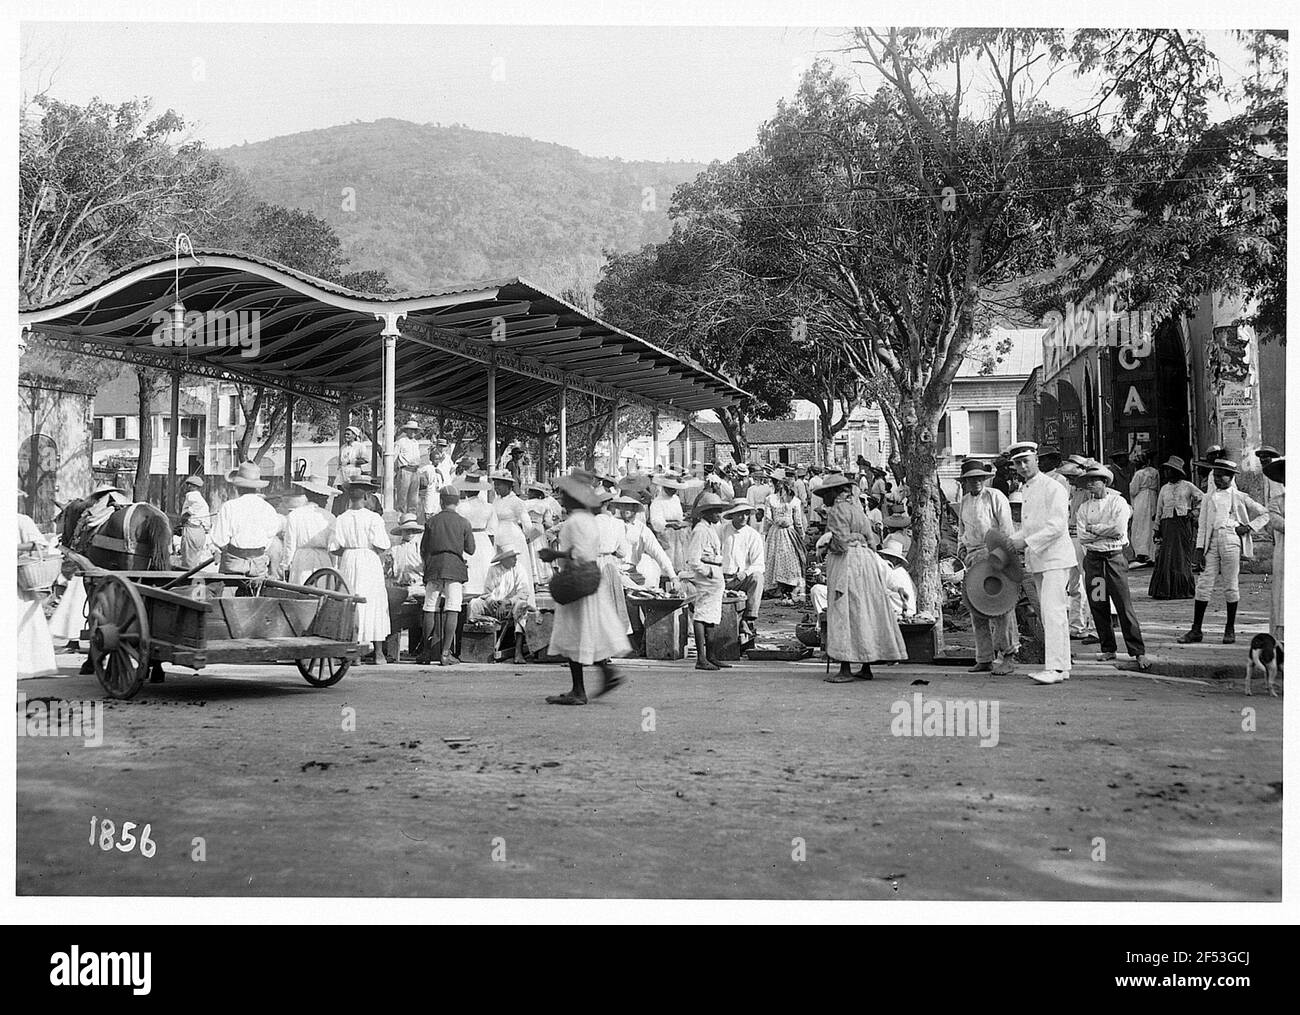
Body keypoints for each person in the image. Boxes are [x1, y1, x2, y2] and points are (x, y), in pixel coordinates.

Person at [541, 476, 630, 704]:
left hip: (577, 577)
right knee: (589, 630)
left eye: (565, 495)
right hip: (590, 576)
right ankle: (607, 674)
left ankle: (578, 690)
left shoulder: (574, 522)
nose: (562, 499)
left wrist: (555, 555)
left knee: (573, 631)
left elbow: (578, 554)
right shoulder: (590, 520)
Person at [817, 474, 906, 682]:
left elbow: (839, 544)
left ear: (833, 493)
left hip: (847, 563)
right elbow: (872, 542)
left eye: (825, 494)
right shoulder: (858, 511)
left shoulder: (837, 511)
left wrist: (825, 545)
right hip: (866, 562)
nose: (824, 499)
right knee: (866, 609)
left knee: (844, 610)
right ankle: (866, 665)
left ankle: (846, 667)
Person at [1179, 458, 1269, 645]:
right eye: (1216, 475)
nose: (1218, 479)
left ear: (1231, 477)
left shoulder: (1240, 497)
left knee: (1231, 584)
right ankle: (1196, 630)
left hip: (1231, 540)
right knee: (1204, 584)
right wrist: (1198, 548)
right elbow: (1203, 525)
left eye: (1222, 476)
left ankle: (1230, 628)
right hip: (1211, 542)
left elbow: (1266, 513)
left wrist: (1249, 527)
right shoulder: (1207, 498)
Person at [1007, 441, 1076, 684]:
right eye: (1018, 463)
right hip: (1038, 559)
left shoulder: (1053, 487)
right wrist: (1010, 540)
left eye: (1027, 460)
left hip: (1055, 557)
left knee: (1053, 611)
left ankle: (1055, 669)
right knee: (1050, 613)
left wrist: (1024, 543)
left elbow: (1057, 526)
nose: (1023, 466)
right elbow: (1029, 527)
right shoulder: (1026, 489)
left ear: (1036, 459)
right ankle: (1062, 665)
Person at [1076, 465, 1150, 669]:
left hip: (1114, 559)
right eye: (1088, 481)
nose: (1091, 484)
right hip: (1094, 561)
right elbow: (1083, 536)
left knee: (1123, 604)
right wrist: (1103, 532)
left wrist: (1096, 529)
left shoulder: (1118, 502)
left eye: (1095, 480)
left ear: (1105, 482)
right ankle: (1108, 647)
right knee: (1099, 604)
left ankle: (1137, 651)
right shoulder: (1084, 508)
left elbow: (1118, 530)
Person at [955, 458, 1018, 675]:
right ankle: (984, 657)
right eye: (971, 480)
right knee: (976, 608)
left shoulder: (995, 497)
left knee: (1001, 607)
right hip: (973, 557)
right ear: (965, 482)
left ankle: (1008, 654)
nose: (976, 483)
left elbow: (1007, 531)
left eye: (979, 479)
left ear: (985, 479)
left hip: (994, 555)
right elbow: (962, 529)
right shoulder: (964, 501)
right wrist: (961, 548)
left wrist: (1001, 556)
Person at [328, 477, 391, 663]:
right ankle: (378, 652)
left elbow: (334, 547)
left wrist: (350, 550)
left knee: (351, 602)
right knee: (374, 602)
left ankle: (354, 652)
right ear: (366, 495)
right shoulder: (374, 518)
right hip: (369, 560)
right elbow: (381, 545)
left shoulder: (341, 519)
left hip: (349, 560)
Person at [420, 485, 476, 666]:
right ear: (457, 502)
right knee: (452, 608)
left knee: (430, 608)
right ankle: (445, 654)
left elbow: (423, 549)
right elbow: (471, 549)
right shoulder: (464, 522)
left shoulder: (431, 522)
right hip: (455, 568)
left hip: (434, 567)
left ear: (441, 501)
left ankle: (427, 653)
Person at [682, 491, 729, 671]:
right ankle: (701, 658)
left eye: (719, 511)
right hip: (707, 577)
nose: (718, 515)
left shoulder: (710, 528)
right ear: (705, 513)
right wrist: (707, 571)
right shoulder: (700, 530)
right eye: (715, 511)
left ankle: (711, 655)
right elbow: (693, 559)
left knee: (711, 617)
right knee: (702, 615)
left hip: (715, 575)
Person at [209, 462, 281, 579]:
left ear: (236, 486)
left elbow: (219, 539)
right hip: (258, 564)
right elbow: (270, 537)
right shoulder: (268, 508)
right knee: (256, 594)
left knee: (226, 594)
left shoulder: (229, 506)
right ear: (257, 487)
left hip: (233, 563)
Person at [467, 546, 536, 661]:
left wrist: (507, 602)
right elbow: (487, 592)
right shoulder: (493, 570)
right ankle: (476, 639)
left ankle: (518, 652)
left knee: (521, 607)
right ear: (504, 559)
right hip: (494, 606)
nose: (515, 559)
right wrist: (491, 601)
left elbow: (523, 592)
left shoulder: (519, 569)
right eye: (512, 557)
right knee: (474, 604)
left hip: (511, 605)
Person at [1148, 456, 1203, 600]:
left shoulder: (1188, 486)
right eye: (1166, 470)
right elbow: (1159, 510)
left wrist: (1193, 513)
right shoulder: (1164, 489)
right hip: (1167, 525)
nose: (1167, 473)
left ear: (1177, 472)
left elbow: (1203, 500)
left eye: (1170, 470)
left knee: (1181, 555)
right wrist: (1156, 529)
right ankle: (1166, 590)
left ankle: (1183, 589)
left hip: (1183, 524)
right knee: (1167, 556)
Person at [17, 500, 58, 680]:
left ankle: (30, 665)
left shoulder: (21, 521)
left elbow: (40, 545)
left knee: (23, 621)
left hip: (18, 578)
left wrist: (16, 548)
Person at [281, 474, 339, 584]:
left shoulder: (295, 515)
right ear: (322, 497)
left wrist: (286, 566)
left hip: (301, 561)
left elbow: (290, 545)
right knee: (322, 592)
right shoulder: (329, 517)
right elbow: (333, 548)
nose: (327, 501)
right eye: (326, 498)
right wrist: (334, 567)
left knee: (301, 588)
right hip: (323, 561)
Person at [720, 499, 765, 641]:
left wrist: (745, 573)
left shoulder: (753, 535)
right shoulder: (721, 531)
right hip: (721, 579)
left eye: (746, 514)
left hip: (740, 579)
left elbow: (759, 563)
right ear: (732, 515)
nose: (743, 518)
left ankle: (748, 619)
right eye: (739, 514)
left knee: (757, 577)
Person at [490, 470, 535, 592]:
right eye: (495, 485)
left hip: (512, 536)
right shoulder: (496, 500)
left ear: (508, 486)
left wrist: (527, 538)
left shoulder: (517, 502)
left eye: (499, 485)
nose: (496, 488)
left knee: (513, 567)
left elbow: (527, 524)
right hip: (498, 536)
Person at [763, 476, 806, 604]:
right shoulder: (795, 501)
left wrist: (770, 528)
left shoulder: (770, 499)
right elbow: (798, 522)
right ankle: (791, 585)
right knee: (791, 557)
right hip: (789, 531)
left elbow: (768, 518)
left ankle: (777, 586)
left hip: (775, 532)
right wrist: (801, 535)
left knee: (775, 557)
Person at [456, 474, 498, 601]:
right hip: (483, 539)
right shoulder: (489, 507)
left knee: (470, 567)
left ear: (466, 490)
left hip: (466, 539)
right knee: (484, 566)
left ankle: (468, 593)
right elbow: (492, 530)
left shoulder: (460, 507)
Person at [649, 473, 691, 574]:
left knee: (680, 559)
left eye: (675, 489)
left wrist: (684, 518)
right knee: (668, 559)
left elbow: (678, 515)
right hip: (666, 534)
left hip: (678, 534)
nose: (673, 491)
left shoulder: (675, 499)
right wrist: (668, 525)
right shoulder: (657, 502)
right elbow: (655, 520)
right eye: (671, 489)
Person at [1263, 455, 1284, 643]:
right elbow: (1278, 522)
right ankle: (1281, 636)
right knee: (1282, 590)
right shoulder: (1277, 502)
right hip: (1285, 550)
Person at [523, 481, 559, 584]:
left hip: (528, 527)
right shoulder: (545, 504)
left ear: (534, 493)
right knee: (539, 550)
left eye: (530, 491)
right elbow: (548, 523)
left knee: (530, 551)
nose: (528, 493)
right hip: (539, 528)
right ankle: (542, 576)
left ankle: (532, 576)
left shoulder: (525, 503)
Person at [1128, 451, 1160, 565]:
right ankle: (1151, 553)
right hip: (1153, 498)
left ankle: (1142, 553)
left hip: (1141, 500)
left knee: (1140, 525)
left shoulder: (1139, 474)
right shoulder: (1155, 472)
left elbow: (1133, 489)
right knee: (1150, 525)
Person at [877, 537, 916, 618]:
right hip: (906, 610)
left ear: (894, 559)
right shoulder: (901, 572)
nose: (884, 559)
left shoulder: (897, 573)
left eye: (886, 556)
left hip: (900, 612)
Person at [178, 475, 212, 569]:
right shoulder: (202, 500)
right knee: (195, 559)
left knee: (187, 560)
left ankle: (187, 580)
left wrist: (186, 515)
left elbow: (196, 505)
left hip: (191, 530)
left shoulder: (192, 495)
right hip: (200, 531)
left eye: (189, 485)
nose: (187, 487)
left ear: (192, 486)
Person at [386, 512, 425, 588]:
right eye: (407, 530)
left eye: (412, 530)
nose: (410, 533)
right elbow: (388, 571)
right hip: (399, 586)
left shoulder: (420, 547)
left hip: (418, 585)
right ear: (401, 531)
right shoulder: (395, 550)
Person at [393, 419, 423, 514]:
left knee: (413, 498)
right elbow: (394, 458)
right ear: (406, 430)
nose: (413, 432)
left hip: (415, 471)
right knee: (402, 497)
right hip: (405, 470)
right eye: (411, 430)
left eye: (415, 430)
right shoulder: (401, 442)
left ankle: (411, 517)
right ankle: (400, 517)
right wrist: (396, 472)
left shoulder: (416, 443)